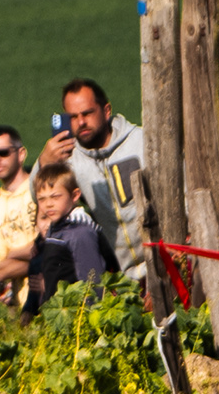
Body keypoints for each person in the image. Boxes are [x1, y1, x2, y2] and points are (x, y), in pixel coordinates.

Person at [42, 78, 149, 259]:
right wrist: (44, 162)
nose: (81, 122)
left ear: (106, 111)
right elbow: (37, 194)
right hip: (119, 276)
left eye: (87, 113)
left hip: (164, 260)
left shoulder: (140, 141)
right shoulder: (70, 160)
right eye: (73, 117)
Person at [16, 164, 114, 317]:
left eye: (55, 197)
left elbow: (92, 282)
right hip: (58, 317)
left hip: (77, 319)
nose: (48, 204)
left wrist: (87, 320)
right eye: (41, 199)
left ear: (75, 196)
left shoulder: (80, 232)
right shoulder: (54, 230)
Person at [0, 126, 40, 293]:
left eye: (3, 152)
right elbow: (0, 269)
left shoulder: (41, 190)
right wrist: (38, 257)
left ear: (21, 154)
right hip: (22, 307)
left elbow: (55, 245)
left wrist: (12, 254)